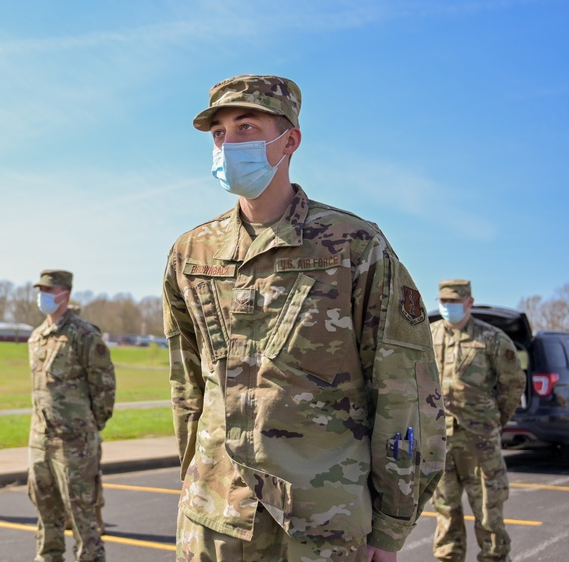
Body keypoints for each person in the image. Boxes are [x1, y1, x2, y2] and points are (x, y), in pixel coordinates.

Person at [163, 75, 447, 562]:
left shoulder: (354, 245)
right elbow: (188, 386)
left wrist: (392, 525)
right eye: (219, 134)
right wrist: (193, 481)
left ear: (289, 139)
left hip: (322, 526)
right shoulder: (191, 252)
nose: (229, 144)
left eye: (247, 127)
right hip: (213, 521)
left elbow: (406, 390)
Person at [430, 279, 525, 562]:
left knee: (489, 511)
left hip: (480, 442)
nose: (449, 307)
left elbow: (514, 383)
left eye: (455, 302)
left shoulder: (491, 338)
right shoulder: (428, 335)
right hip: (440, 439)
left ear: (469, 302)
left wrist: (494, 420)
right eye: (444, 302)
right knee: (445, 512)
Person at [27, 269, 116, 562]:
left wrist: (88, 427)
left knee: (82, 515)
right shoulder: (37, 337)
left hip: (75, 443)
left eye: (49, 291)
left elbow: (104, 386)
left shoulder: (84, 335)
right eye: (40, 290)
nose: (43, 297)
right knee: (45, 510)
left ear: (64, 294)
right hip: (40, 439)